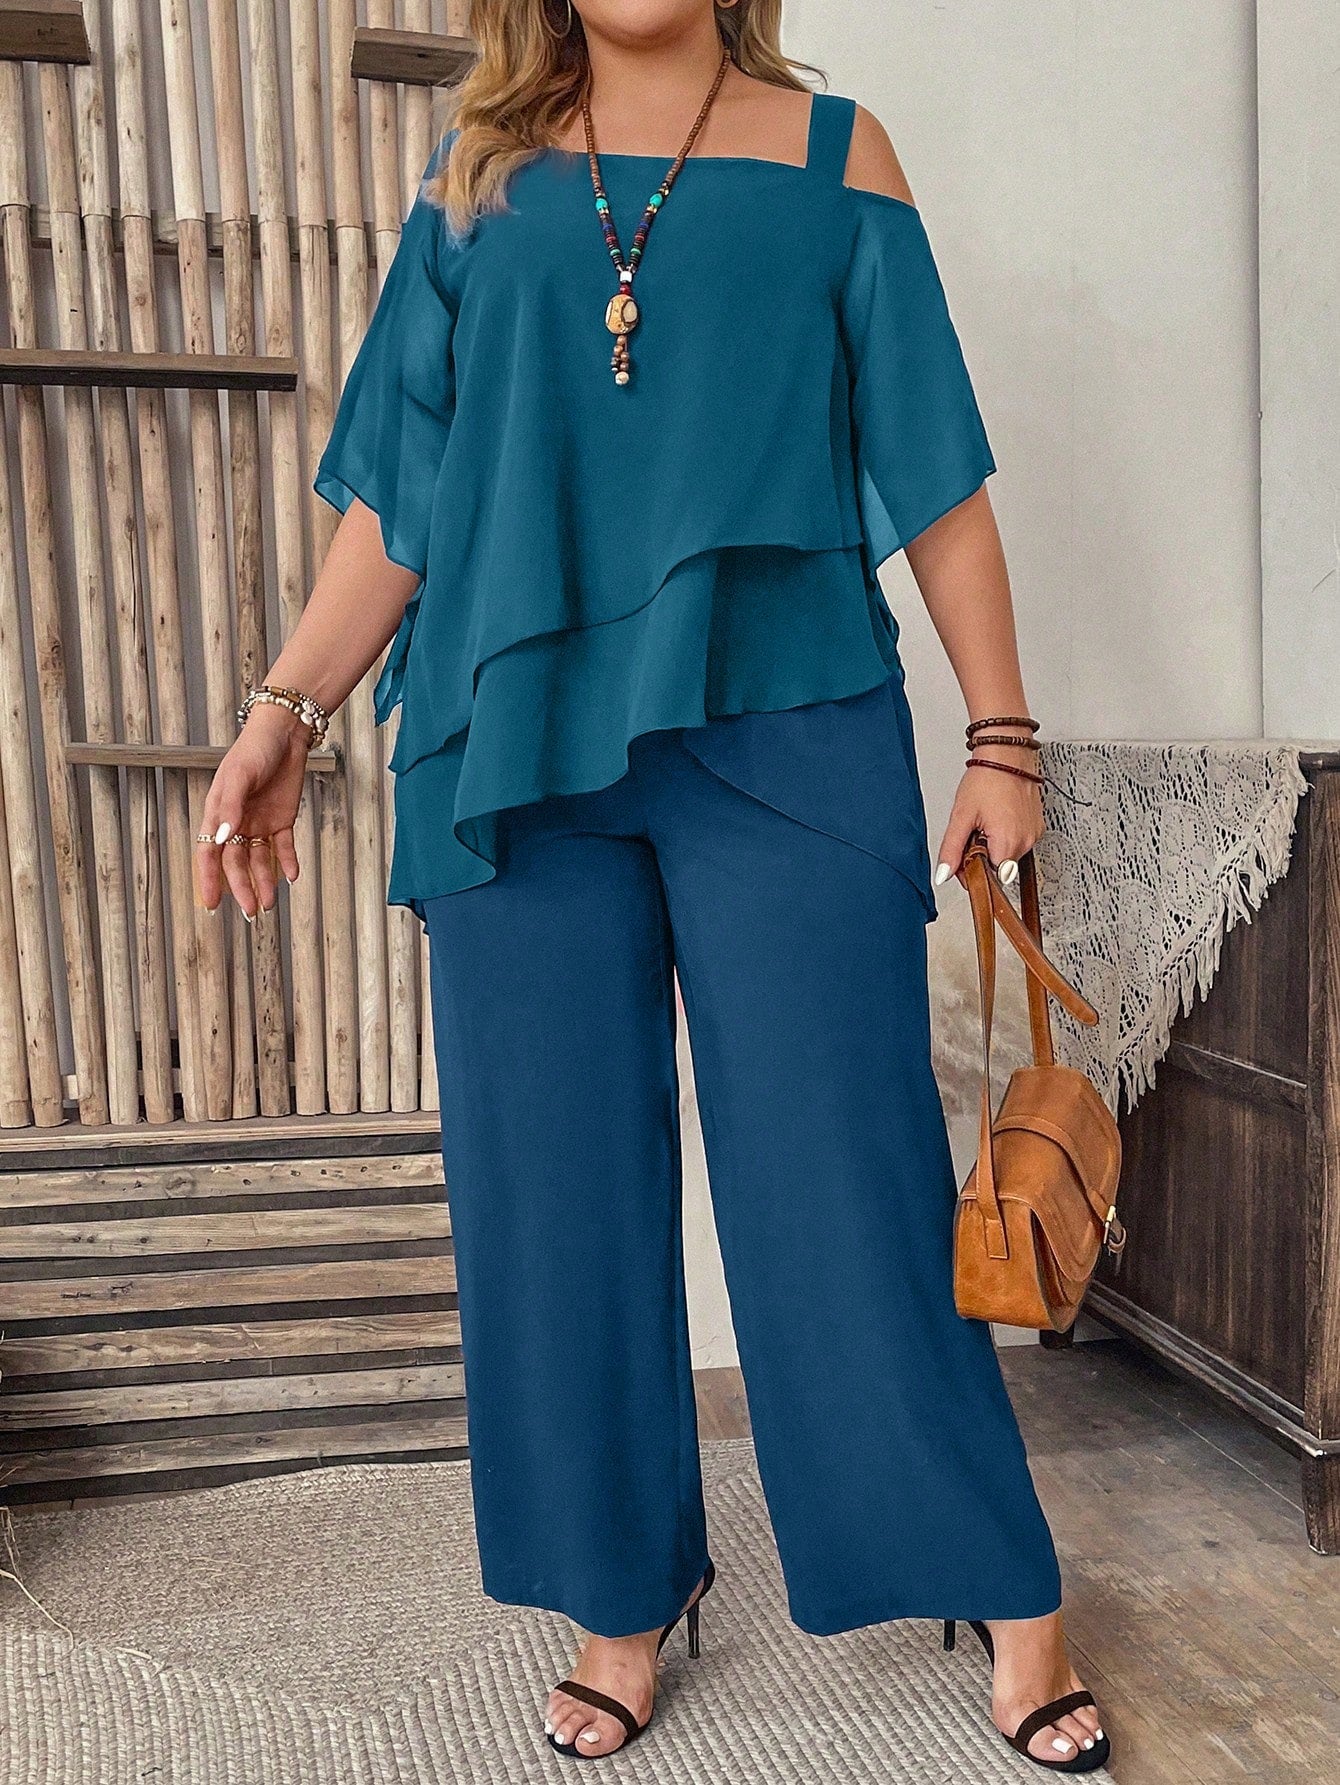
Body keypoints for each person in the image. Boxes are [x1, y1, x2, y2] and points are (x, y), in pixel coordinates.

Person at [195, 0, 1109, 1772]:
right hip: (517, 746)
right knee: (552, 1193)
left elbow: (936, 468)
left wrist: (1003, 733)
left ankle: (1001, 1579)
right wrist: (284, 710)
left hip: (791, 721)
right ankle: (624, 1590)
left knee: (848, 1173)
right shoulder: (475, 182)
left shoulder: (840, 159)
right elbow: (403, 499)